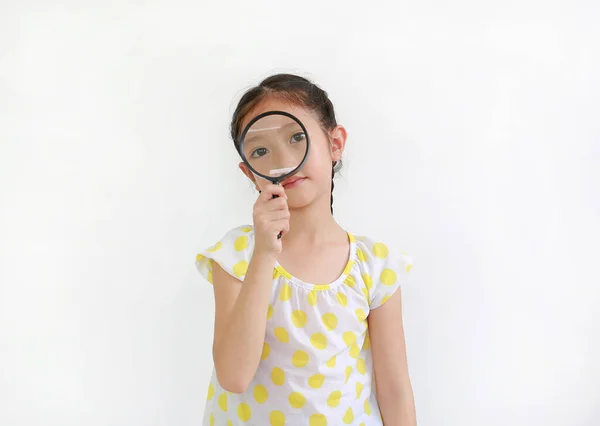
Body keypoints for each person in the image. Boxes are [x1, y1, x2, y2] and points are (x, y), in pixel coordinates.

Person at [195, 73, 416, 426]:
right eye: (261, 151)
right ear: (249, 173)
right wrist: (264, 253)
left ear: (335, 143)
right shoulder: (236, 255)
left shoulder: (376, 266)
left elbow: (394, 390)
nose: (283, 160)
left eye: (297, 138)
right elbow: (234, 377)